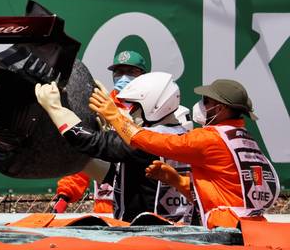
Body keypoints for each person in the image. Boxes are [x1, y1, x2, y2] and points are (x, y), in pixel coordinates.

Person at [91, 77, 280, 227]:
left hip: (224, 232)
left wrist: (115, 116)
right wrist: (178, 181)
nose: (200, 105)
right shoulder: (245, 139)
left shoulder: (210, 138)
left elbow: (151, 141)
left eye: (206, 101)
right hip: (253, 228)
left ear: (220, 109)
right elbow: (227, 190)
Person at [37, 71, 193, 222]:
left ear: (155, 106)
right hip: (178, 231)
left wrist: (55, 109)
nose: (130, 111)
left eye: (135, 106)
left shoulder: (146, 143)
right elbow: (134, 178)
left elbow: (90, 141)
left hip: (147, 234)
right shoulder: (182, 135)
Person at [51, 50, 150, 214]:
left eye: (131, 72)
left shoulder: (153, 110)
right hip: (106, 205)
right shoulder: (98, 107)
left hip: (141, 199)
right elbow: (85, 154)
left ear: (143, 75)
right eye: (119, 72)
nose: (123, 77)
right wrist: (64, 195)